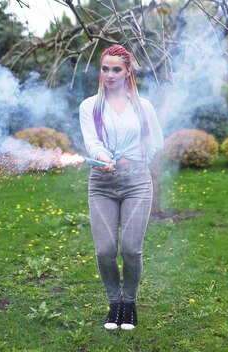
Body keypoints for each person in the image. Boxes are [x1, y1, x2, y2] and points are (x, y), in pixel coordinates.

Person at [79, 45, 163, 331]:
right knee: (104, 250)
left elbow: (156, 142)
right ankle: (114, 302)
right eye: (105, 68)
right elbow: (91, 141)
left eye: (116, 69)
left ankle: (129, 303)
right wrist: (103, 158)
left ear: (128, 72)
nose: (110, 74)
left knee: (130, 249)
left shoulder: (143, 106)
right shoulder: (89, 106)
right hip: (101, 184)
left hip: (136, 183)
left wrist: (135, 161)